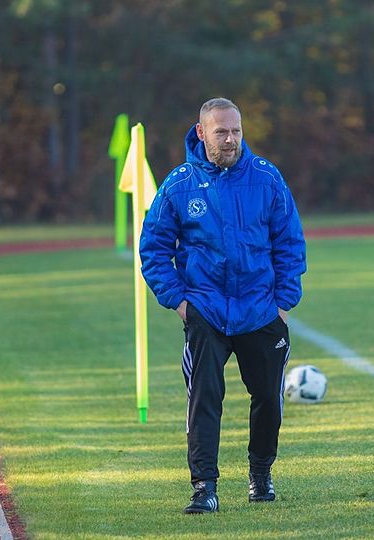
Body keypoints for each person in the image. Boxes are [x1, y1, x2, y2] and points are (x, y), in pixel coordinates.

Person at [139, 97, 306, 514]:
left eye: (236, 131)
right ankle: (204, 488)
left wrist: (283, 302)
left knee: (267, 396)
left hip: (261, 310)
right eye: (221, 132)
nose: (230, 139)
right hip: (206, 312)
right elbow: (154, 249)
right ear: (202, 133)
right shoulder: (179, 185)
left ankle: (261, 474)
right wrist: (179, 302)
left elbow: (290, 242)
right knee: (205, 398)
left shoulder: (266, 178)